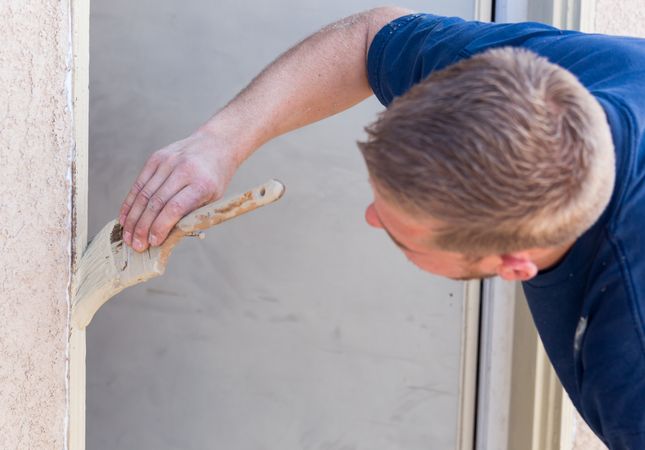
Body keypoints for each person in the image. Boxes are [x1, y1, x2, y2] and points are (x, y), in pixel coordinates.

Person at [117, 7, 645, 448]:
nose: (371, 218)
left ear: (514, 263)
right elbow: (371, 39)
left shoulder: (626, 365)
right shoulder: (534, 89)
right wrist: (222, 141)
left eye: (400, 235)